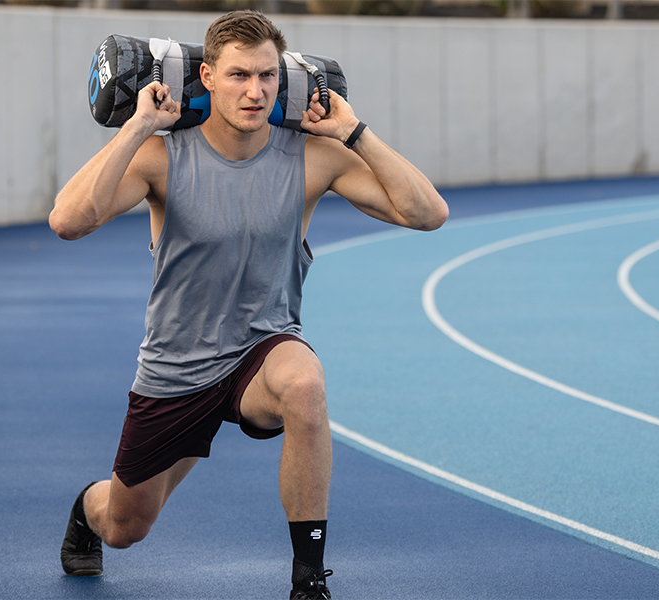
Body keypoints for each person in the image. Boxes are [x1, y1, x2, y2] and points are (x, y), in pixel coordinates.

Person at [49, 10, 448, 599]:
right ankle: (87, 510)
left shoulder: (313, 157)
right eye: (238, 75)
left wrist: (355, 132)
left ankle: (308, 583)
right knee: (126, 526)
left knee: (305, 385)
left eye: (267, 75)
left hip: (262, 351)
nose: (255, 91)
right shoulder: (165, 156)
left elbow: (428, 214)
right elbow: (67, 222)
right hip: (176, 369)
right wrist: (136, 128)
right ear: (207, 76)